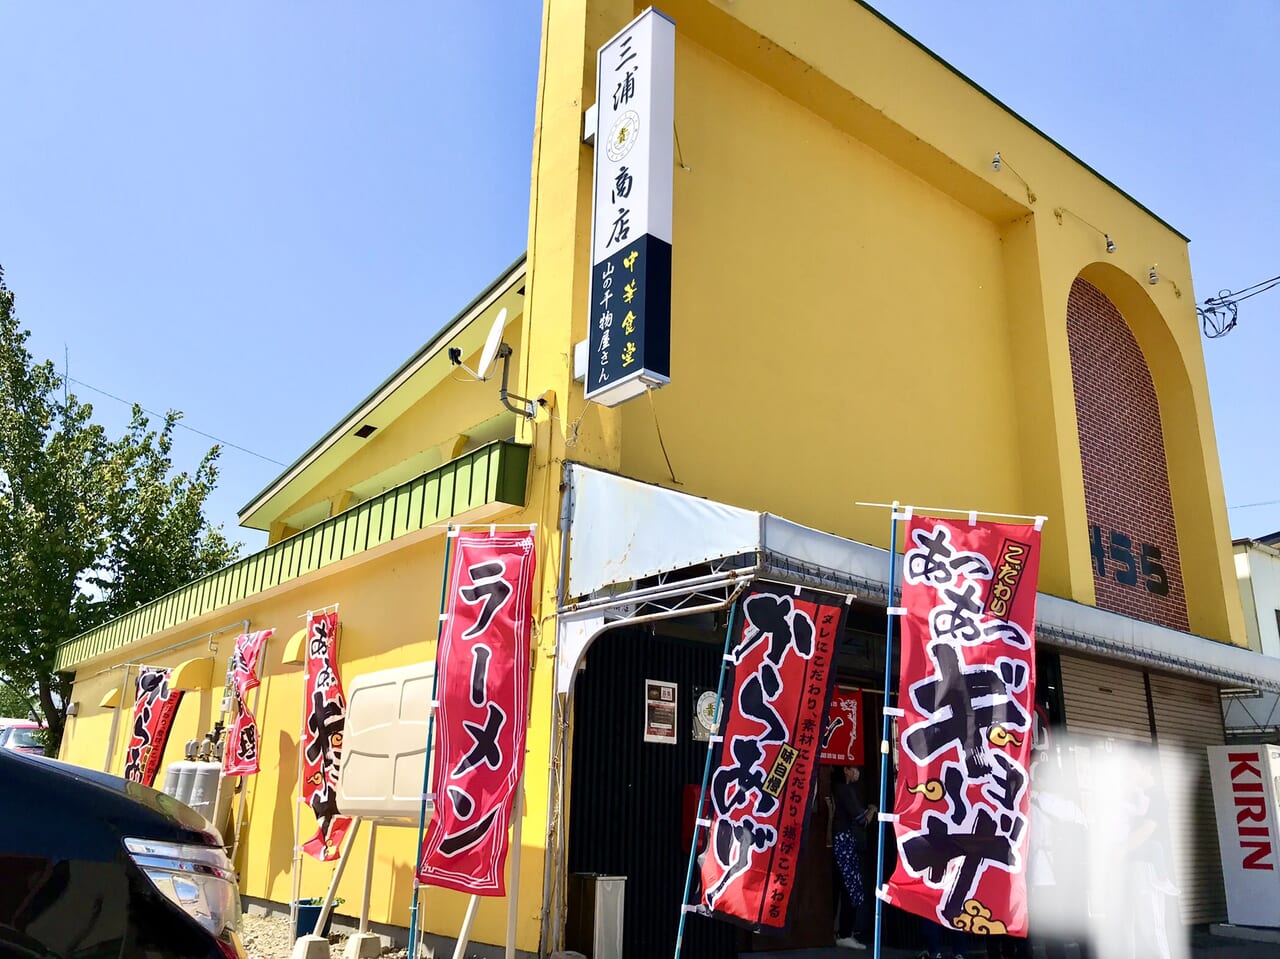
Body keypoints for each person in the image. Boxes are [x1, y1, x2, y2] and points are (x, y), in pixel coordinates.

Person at [830, 764, 876, 949]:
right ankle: (845, 933)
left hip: (839, 840)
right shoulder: (845, 790)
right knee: (851, 886)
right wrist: (872, 809)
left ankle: (840, 931)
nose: (857, 772)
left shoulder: (837, 788)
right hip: (844, 841)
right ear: (846, 770)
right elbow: (861, 820)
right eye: (854, 768)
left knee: (842, 886)